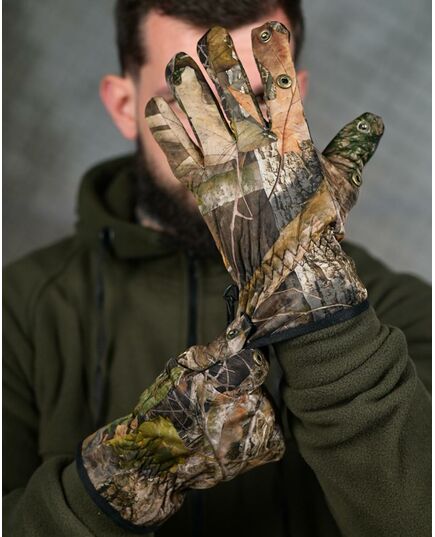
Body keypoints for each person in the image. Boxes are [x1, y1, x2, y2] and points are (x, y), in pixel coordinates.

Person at [3, 1, 431, 536]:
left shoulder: (394, 310)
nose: (228, 135)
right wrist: (121, 477)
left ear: (292, 96)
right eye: (190, 101)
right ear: (123, 105)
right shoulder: (18, 312)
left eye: (254, 99)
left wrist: (326, 322)